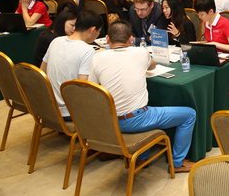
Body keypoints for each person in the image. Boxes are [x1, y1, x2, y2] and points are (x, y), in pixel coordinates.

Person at [88, 20, 196, 171]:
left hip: (109, 121)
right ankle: (178, 163)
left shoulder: (96, 58)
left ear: (107, 39)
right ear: (131, 39)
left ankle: (142, 157)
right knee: (189, 115)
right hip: (136, 119)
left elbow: (91, 87)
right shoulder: (140, 52)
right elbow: (152, 65)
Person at [41, 10, 102, 118]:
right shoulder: (87, 50)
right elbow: (83, 88)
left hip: (50, 107)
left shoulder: (56, 41)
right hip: (71, 112)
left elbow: (42, 71)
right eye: (99, 32)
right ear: (93, 30)